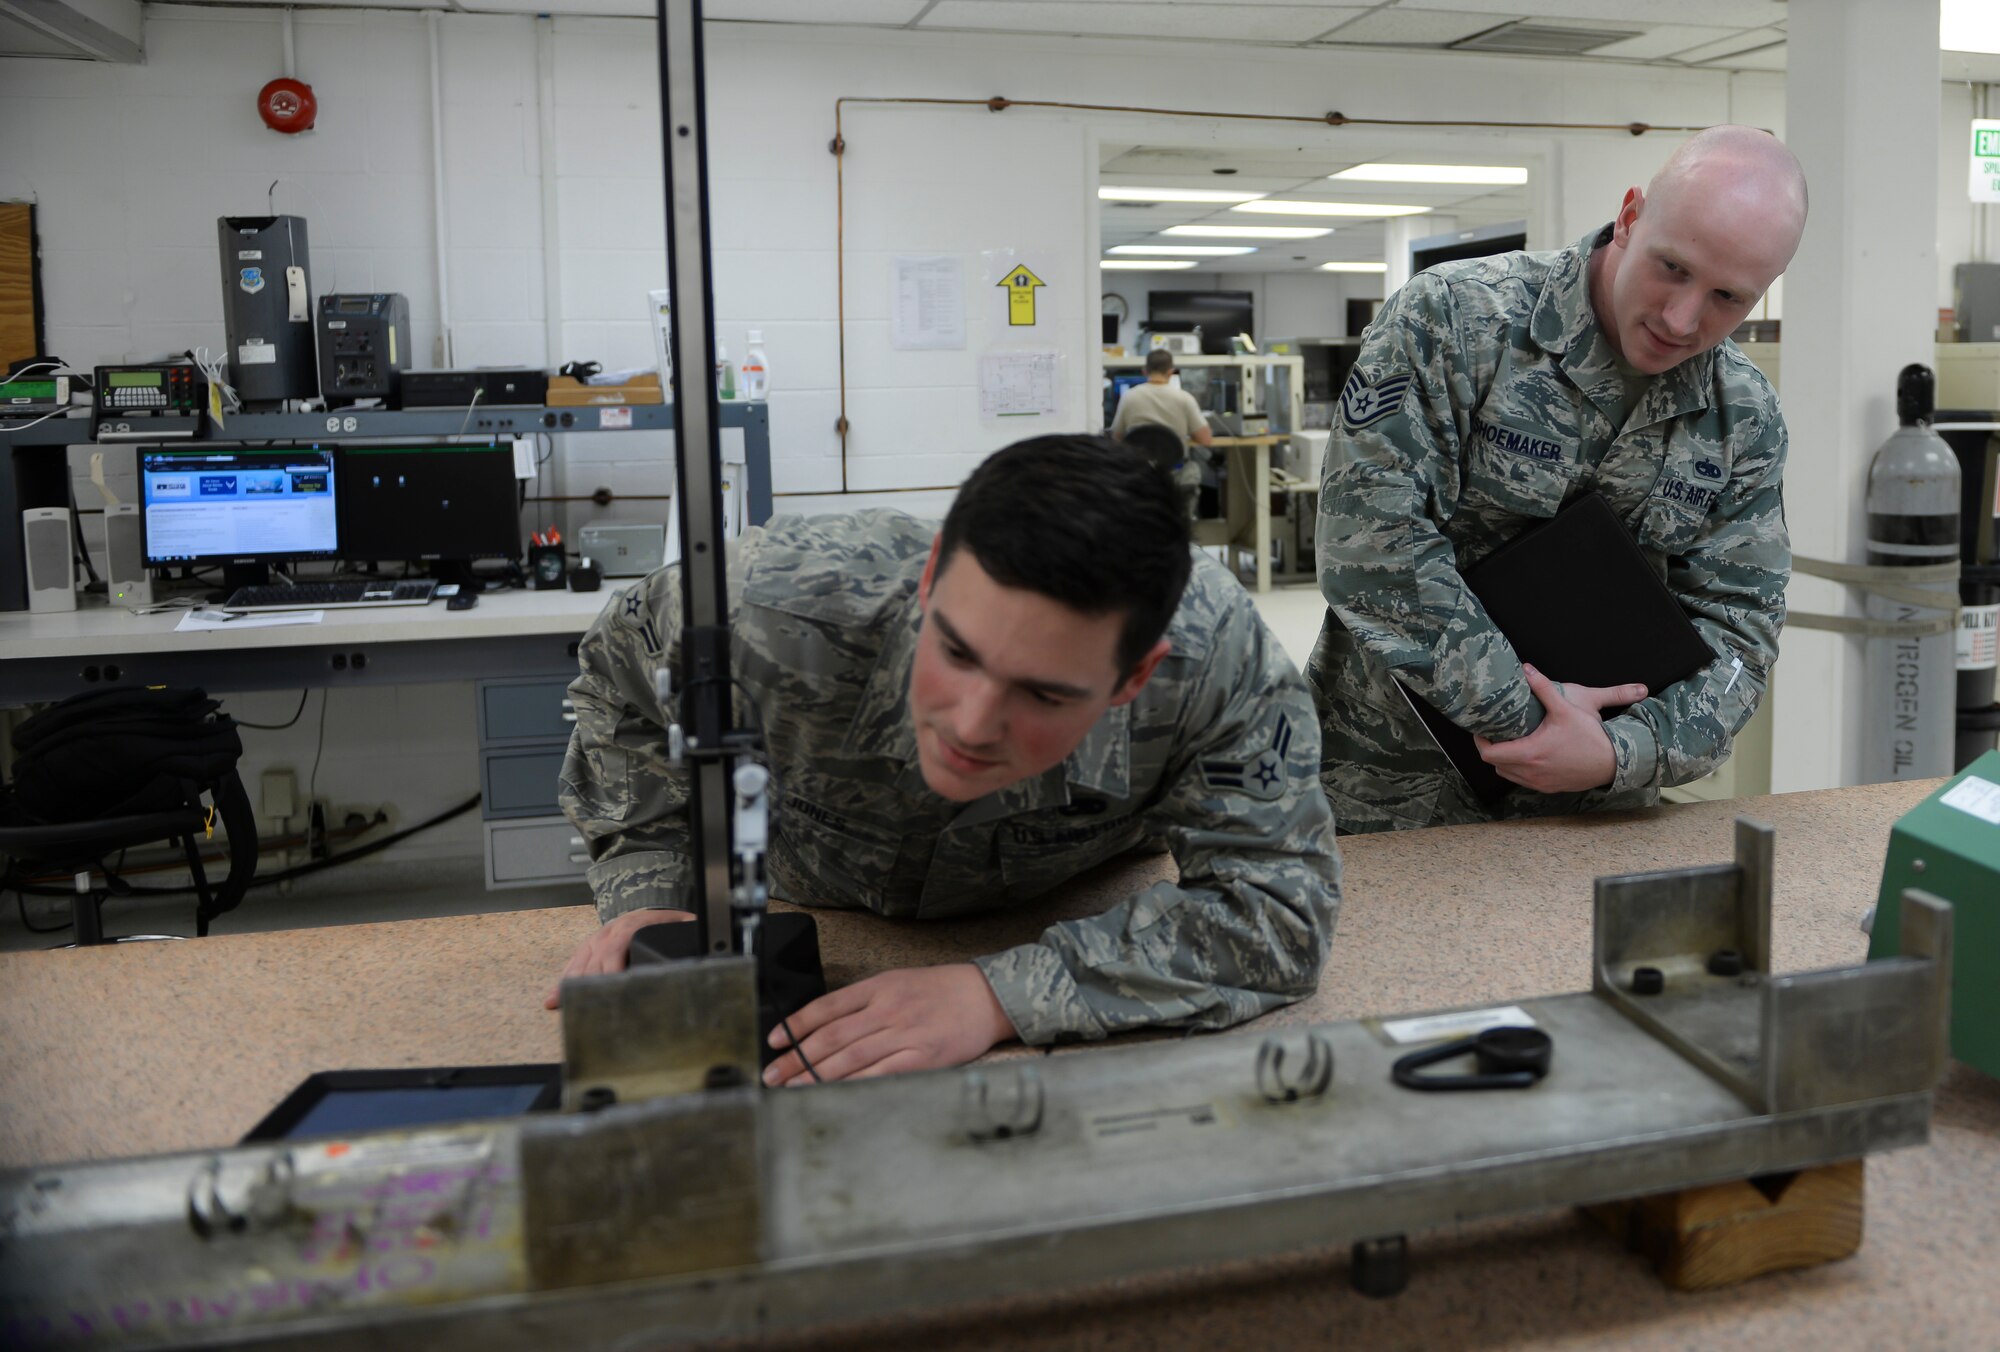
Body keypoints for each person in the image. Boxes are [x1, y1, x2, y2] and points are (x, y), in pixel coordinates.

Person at [548, 434, 1340, 1086]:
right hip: (809, 893)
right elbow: (621, 676)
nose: (973, 724)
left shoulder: (1212, 662)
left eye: (1045, 693)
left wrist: (1002, 995)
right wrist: (649, 890)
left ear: (1133, 676)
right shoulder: (772, 598)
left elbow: (1278, 906)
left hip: (1061, 891)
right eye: (957, 652)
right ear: (930, 582)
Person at [1310, 124, 1808, 833]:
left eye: (1729, 297)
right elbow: (1371, 550)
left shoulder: (1744, 417)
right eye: (1672, 267)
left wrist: (1619, 753)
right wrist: (1532, 719)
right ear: (1631, 217)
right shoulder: (1455, 321)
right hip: (1386, 795)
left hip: (1597, 819)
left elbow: (1740, 635)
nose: (1682, 318)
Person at [1111, 347, 1215, 453]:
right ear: (1171, 372)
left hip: (1139, 467)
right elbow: (1205, 439)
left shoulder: (1129, 397)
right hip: (1174, 467)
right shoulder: (1185, 398)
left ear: (1144, 371)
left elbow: (1116, 437)